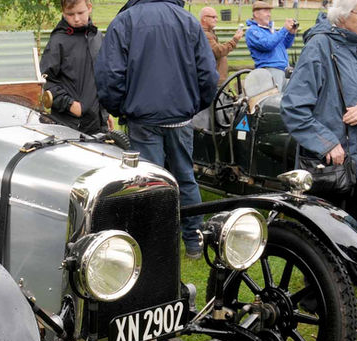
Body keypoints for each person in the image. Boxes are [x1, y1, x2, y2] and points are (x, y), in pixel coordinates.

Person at [95, 0, 218, 259]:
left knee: (148, 184)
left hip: (143, 117)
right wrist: (193, 105)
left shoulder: (125, 21)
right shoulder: (187, 20)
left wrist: (121, 108)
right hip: (178, 117)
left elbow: (109, 75)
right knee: (184, 178)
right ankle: (193, 241)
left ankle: (152, 245)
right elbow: (207, 73)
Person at [280, 0, 357, 216]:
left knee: (352, 234)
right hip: (326, 168)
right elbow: (293, 106)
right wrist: (327, 143)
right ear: (343, 14)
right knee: (322, 239)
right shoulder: (319, 46)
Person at [39, 0, 109, 135]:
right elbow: (45, 81)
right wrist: (70, 105)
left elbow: (99, 78)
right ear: (63, 12)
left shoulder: (97, 37)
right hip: (69, 124)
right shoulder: (58, 41)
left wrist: (104, 115)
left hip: (98, 125)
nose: (76, 19)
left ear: (89, 8)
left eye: (80, 13)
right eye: (70, 14)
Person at [244, 1, 297, 88]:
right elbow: (268, 45)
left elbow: (285, 45)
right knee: (275, 100)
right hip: (270, 71)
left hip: (284, 70)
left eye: (269, 12)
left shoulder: (270, 30)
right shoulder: (252, 31)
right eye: (266, 11)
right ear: (256, 14)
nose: (269, 14)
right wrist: (284, 29)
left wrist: (291, 34)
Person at [199, 6, 245, 84]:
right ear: (204, 18)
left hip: (215, 78)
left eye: (216, 17)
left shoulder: (209, 32)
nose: (216, 20)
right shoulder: (205, 34)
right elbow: (218, 51)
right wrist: (235, 40)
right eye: (213, 17)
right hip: (213, 80)